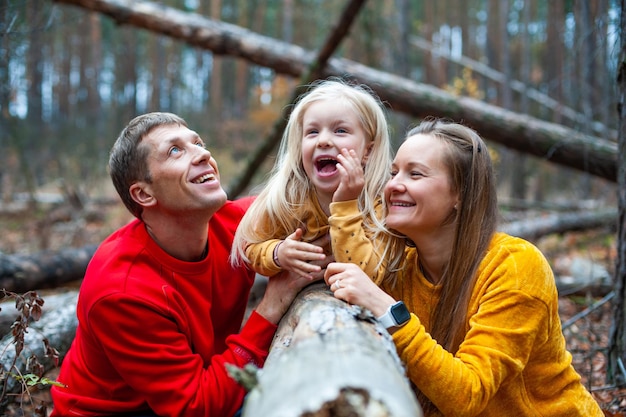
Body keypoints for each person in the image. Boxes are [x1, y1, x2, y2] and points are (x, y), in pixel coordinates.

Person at [324, 118, 604, 416]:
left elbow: (467, 395)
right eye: (394, 173)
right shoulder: (400, 268)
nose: (393, 185)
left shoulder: (515, 265)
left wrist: (389, 311)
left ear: (460, 193)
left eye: (415, 174)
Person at [50, 112, 322, 417]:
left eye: (199, 143)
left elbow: (309, 197)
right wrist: (272, 304)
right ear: (143, 193)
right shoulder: (123, 290)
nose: (203, 153)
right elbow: (197, 406)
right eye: (175, 150)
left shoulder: (236, 225)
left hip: (191, 386)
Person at [231, 78, 392, 281]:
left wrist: (346, 206)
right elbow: (250, 248)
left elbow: (369, 275)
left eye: (340, 130)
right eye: (312, 132)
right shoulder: (290, 196)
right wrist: (278, 253)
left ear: (368, 151)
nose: (323, 140)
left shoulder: (379, 202)